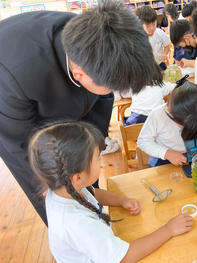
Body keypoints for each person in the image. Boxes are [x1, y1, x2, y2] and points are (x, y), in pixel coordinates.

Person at [0, 1, 162, 225]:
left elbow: (102, 100)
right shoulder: (13, 76)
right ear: (80, 75)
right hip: (13, 107)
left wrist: (91, 151)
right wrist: (50, 184)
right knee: (60, 201)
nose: (114, 91)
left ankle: (97, 219)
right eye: (111, 86)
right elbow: (17, 145)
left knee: (85, 173)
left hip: (50, 81)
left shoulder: (97, 34)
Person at [28, 121, 193, 263]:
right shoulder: (77, 224)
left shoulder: (63, 186)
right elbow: (123, 257)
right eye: (97, 158)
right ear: (77, 177)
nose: (100, 161)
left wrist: (120, 200)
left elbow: (92, 194)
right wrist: (168, 230)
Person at [137, 81, 197, 167]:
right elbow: (143, 141)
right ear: (170, 111)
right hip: (165, 159)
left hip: (196, 155)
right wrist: (166, 153)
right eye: (184, 124)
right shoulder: (157, 115)